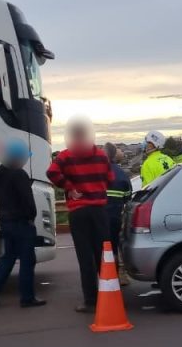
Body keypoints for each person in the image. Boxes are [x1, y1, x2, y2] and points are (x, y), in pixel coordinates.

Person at [47, 115, 115, 313]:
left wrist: (69, 186)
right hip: (99, 210)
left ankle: (90, 300)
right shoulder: (102, 155)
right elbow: (109, 179)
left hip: (78, 212)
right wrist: (96, 187)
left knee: (85, 257)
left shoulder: (66, 156)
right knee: (103, 254)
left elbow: (51, 173)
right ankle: (109, 294)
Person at [0, 138, 46, 308]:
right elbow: (28, 201)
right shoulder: (19, 174)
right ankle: (27, 297)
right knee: (27, 260)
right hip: (21, 222)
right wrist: (31, 218)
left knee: (8, 257)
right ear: (17, 157)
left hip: (5, 221)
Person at [104, 142, 132, 286]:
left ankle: (103, 276)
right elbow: (128, 197)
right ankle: (117, 275)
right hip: (116, 216)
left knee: (98, 248)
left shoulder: (98, 171)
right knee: (114, 247)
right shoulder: (122, 174)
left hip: (98, 216)